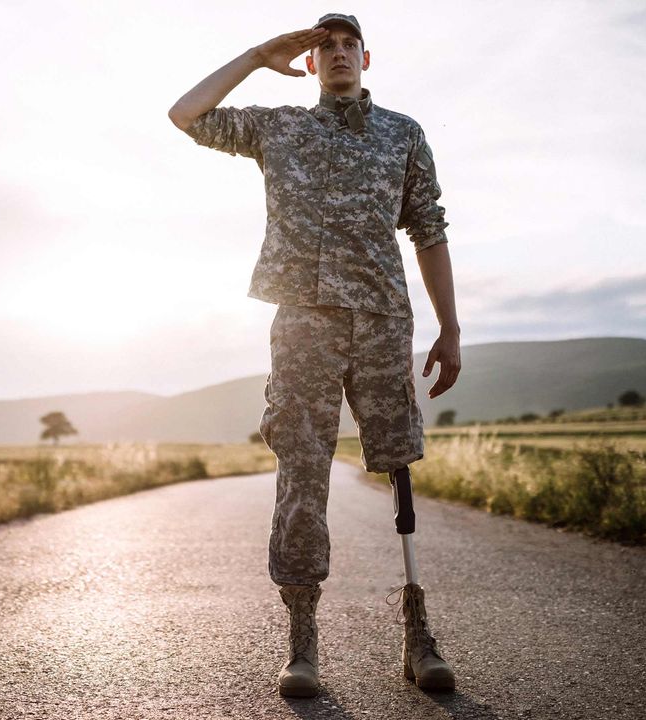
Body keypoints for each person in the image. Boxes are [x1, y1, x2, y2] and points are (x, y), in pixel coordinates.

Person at [168, 13, 462, 698]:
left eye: (346, 44)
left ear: (366, 57)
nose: (335, 53)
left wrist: (450, 327)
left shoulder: (404, 135)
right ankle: (303, 643)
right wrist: (254, 54)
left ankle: (419, 635)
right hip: (303, 322)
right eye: (322, 45)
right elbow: (184, 114)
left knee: (397, 462)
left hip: (383, 318)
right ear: (310, 61)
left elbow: (429, 228)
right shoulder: (280, 128)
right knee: (302, 470)